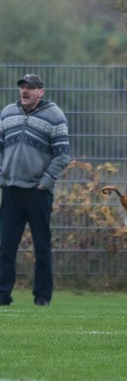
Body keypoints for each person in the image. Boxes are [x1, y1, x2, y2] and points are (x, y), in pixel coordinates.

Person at [0, 74, 70, 307]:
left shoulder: (55, 116)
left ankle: (42, 297)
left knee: (42, 246)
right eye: (22, 87)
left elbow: (62, 156)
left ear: (41, 91)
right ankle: (2, 295)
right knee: (4, 246)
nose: (24, 91)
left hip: (38, 192)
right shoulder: (8, 112)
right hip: (11, 189)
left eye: (30, 88)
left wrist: (46, 182)